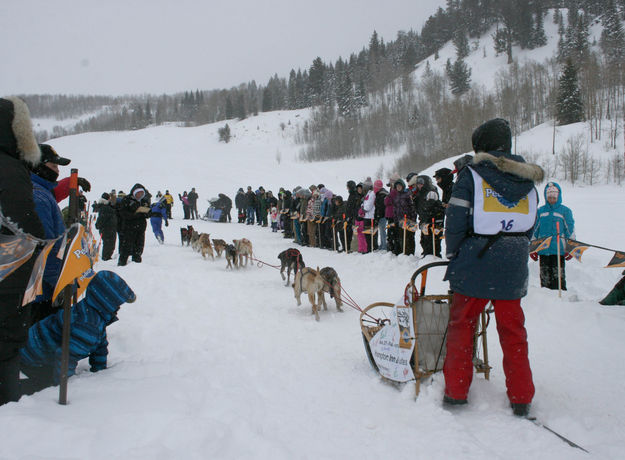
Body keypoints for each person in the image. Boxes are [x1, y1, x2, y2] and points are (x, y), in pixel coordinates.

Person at [442, 118, 544, 417]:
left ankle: (456, 391)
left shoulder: (471, 175)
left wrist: (454, 253)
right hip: (513, 260)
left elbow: (456, 220)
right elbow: (531, 224)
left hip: (475, 260)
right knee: (513, 331)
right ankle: (521, 396)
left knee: (462, 327)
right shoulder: (527, 181)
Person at [19, 271, 135, 396]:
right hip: (32, 356)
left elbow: (100, 346)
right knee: (43, 386)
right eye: (117, 304)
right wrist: (66, 384)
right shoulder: (87, 324)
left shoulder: (94, 315)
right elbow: (66, 357)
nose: (118, 308)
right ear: (106, 301)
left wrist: (100, 370)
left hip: (34, 348)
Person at [0, 96, 46, 405]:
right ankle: (7, 404)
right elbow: (24, 224)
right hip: (8, 272)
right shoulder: (8, 167)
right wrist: (47, 241)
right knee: (6, 341)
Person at [29, 144, 71, 324]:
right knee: (42, 340)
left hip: (40, 285)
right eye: (53, 166)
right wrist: (58, 281)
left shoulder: (40, 191)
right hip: (40, 289)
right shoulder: (38, 197)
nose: (57, 171)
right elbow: (43, 247)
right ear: (38, 166)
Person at [531, 182, 575, 291]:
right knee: (544, 278)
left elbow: (570, 230)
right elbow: (534, 231)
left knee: (558, 277)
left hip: (558, 250)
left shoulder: (565, 211)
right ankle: (546, 300)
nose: (552, 199)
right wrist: (532, 249)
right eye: (550, 197)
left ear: (558, 196)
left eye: (554, 197)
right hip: (543, 249)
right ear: (546, 197)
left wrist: (571, 248)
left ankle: (560, 299)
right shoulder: (540, 211)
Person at [118, 184, 151, 266]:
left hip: (141, 228)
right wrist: (134, 215)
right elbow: (122, 213)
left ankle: (137, 262)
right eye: (138, 193)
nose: (140, 195)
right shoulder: (127, 200)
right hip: (129, 227)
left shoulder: (144, 201)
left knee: (139, 246)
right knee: (127, 246)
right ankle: (122, 262)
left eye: (141, 193)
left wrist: (146, 213)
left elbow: (149, 212)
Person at [95, 193, 118, 260]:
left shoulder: (104, 206)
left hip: (107, 229)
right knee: (109, 244)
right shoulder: (106, 208)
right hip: (108, 229)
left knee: (108, 244)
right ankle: (106, 257)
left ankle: (106, 256)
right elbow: (102, 219)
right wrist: (98, 225)